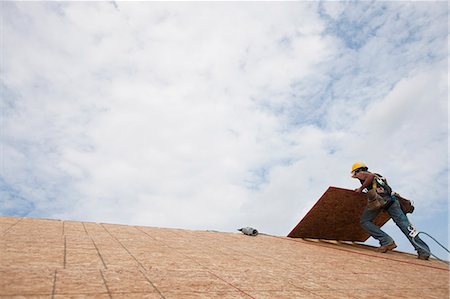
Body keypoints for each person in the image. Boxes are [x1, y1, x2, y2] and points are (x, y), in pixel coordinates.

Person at [351, 162, 431, 260]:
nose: (357, 176)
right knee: (406, 226)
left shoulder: (366, 174)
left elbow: (370, 176)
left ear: (358, 171)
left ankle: (386, 241)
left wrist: (361, 188)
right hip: (392, 201)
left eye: (355, 173)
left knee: (365, 221)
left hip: (381, 201)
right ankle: (423, 251)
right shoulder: (379, 177)